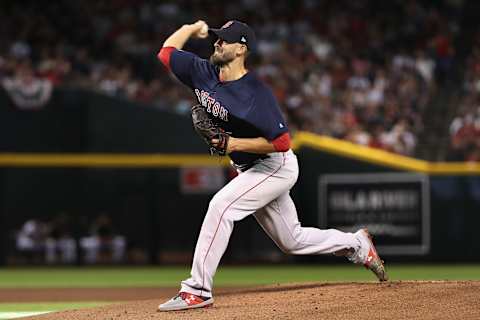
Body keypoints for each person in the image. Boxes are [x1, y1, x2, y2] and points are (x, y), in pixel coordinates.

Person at [157, 20, 388, 312]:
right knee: (292, 240)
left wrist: (232, 145)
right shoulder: (201, 71)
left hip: (274, 166)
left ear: (241, 49)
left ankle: (197, 289)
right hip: (250, 169)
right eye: (216, 39)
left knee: (221, 206)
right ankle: (357, 244)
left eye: (224, 40)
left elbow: (281, 141)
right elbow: (166, 52)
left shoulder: (256, 93)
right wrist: (192, 27)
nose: (217, 44)